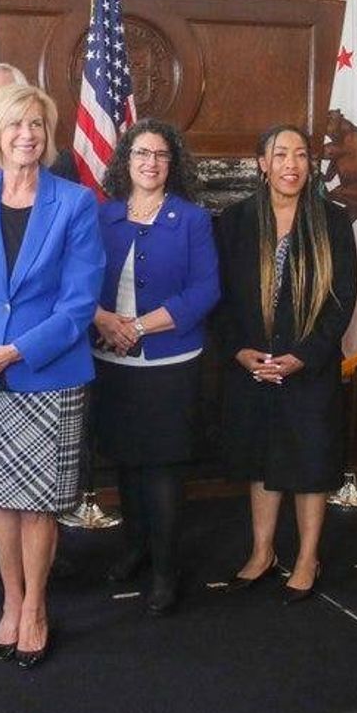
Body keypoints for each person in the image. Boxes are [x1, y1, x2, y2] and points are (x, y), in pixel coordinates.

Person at [0, 80, 105, 666]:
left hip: (47, 370)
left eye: (36, 125)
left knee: (37, 503)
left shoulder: (74, 202)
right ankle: (10, 602)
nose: (27, 135)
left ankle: (37, 605)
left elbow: (79, 301)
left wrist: (15, 350)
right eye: (16, 124)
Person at [214, 125, 357, 604]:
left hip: (309, 368)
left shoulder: (332, 221)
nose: (291, 163)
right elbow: (222, 298)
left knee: (310, 463)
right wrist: (239, 350)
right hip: (252, 365)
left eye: (300, 154)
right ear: (263, 163)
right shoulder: (234, 221)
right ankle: (262, 553)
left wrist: (305, 355)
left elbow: (342, 301)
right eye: (281, 154)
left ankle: (306, 557)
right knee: (261, 460)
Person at [92, 120, 220, 615]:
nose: (150, 162)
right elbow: (80, 281)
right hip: (112, 358)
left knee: (162, 468)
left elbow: (205, 291)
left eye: (161, 155)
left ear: (172, 163)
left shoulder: (191, 219)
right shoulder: (103, 217)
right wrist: (104, 320)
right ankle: (135, 549)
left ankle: (167, 570)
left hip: (170, 361)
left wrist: (139, 327)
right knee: (126, 462)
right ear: (126, 159)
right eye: (142, 153)